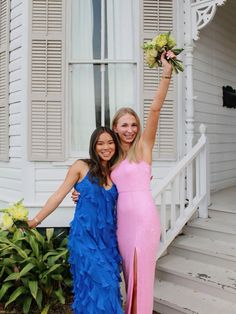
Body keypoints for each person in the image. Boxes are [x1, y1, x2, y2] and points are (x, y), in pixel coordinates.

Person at [72, 50, 174, 314]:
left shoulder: (143, 148)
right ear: (114, 128)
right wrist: (80, 194)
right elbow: (98, 187)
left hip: (144, 220)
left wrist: (166, 72)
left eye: (134, 125)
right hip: (121, 225)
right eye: (124, 125)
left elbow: (154, 109)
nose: (130, 129)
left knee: (142, 281)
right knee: (129, 279)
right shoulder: (111, 158)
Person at [28, 126, 124, 314]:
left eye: (111, 142)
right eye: (101, 143)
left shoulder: (116, 172)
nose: (106, 147)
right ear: (93, 146)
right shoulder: (82, 166)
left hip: (108, 242)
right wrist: (36, 220)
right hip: (84, 238)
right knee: (106, 284)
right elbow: (58, 195)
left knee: (98, 290)